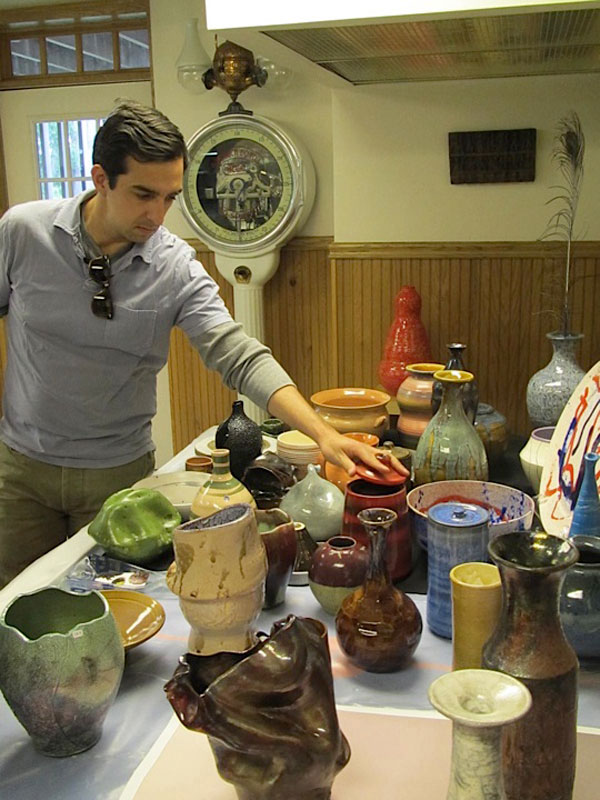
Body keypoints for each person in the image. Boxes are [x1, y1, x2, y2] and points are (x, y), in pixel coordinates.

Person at [0, 100, 405, 587]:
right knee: (15, 602)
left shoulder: (173, 265)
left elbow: (237, 353)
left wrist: (324, 434)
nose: (157, 215)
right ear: (101, 178)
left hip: (116, 478)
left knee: (109, 604)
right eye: (143, 194)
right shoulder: (22, 233)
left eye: (169, 198)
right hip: (19, 473)